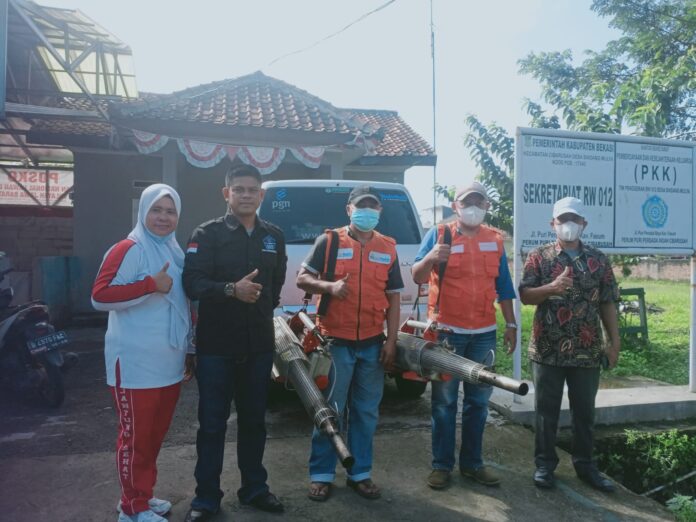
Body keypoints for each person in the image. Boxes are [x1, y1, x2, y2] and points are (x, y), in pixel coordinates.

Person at [181, 165, 287, 521]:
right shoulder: (206, 233)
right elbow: (192, 283)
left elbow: (275, 286)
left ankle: (255, 488)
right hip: (216, 347)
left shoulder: (273, 236)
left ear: (261, 195)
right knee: (212, 424)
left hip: (258, 346)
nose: (245, 195)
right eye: (238, 189)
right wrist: (231, 290)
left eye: (252, 190)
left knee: (254, 422)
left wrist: (256, 306)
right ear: (226, 193)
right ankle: (206, 497)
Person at [92, 183, 194, 522]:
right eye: (156, 210)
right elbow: (100, 296)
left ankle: (143, 496)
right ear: (143, 212)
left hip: (168, 362)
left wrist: (189, 349)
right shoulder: (128, 248)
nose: (163, 217)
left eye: (170, 211)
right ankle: (131, 507)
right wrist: (150, 285)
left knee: (153, 437)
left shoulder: (175, 253)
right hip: (135, 364)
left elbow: (181, 305)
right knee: (135, 439)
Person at [296, 185, 403, 502]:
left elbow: (394, 297)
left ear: (379, 211)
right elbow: (302, 278)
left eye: (372, 206)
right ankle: (321, 474)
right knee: (329, 411)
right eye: (361, 206)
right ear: (349, 210)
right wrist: (328, 286)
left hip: (373, 343)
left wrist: (391, 341)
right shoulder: (329, 241)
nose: (367, 211)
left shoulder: (388, 247)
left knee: (366, 413)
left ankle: (360, 473)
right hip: (335, 342)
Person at [411, 181, 517, 490]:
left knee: (478, 402)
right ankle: (441, 466)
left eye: (479, 202)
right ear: (455, 206)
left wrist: (511, 325)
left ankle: (472, 464)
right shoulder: (439, 234)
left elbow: (504, 287)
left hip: (483, 334)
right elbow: (417, 276)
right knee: (444, 403)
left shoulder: (494, 240)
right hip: (447, 333)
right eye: (467, 202)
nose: (473, 207)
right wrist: (431, 257)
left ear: (486, 206)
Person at [519, 196, 620, 492]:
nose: (568, 225)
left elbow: (608, 302)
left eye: (574, 219)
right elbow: (525, 296)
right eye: (563, 219)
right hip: (547, 348)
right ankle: (544, 465)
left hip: (587, 351)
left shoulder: (598, 260)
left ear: (583, 223)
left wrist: (613, 342)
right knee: (545, 412)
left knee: (585, 413)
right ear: (553, 224)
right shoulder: (538, 257)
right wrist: (551, 288)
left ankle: (586, 466)